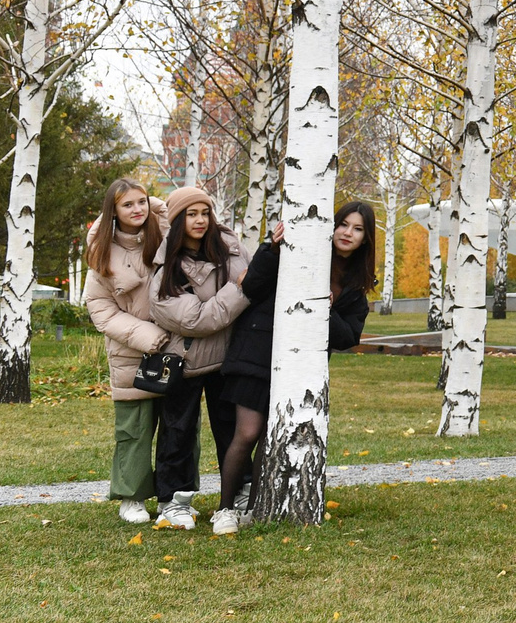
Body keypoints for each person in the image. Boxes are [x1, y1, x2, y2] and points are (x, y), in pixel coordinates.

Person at [208, 203, 377, 535]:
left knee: (272, 438)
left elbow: (347, 338)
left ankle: (254, 508)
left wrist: (325, 309)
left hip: (301, 367)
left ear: (365, 239)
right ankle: (225, 509)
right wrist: (272, 248)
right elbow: (252, 287)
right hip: (257, 351)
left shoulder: (357, 286)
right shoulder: (294, 249)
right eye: (343, 224)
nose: (347, 233)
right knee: (248, 432)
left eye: (357, 229)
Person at [144, 186, 249, 531]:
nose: (201, 220)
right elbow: (198, 320)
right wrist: (239, 289)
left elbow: (258, 281)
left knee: (233, 431)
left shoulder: (231, 250)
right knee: (178, 432)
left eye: (205, 212)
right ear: (177, 221)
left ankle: (242, 494)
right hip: (184, 363)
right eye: (191, 214)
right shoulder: (165, 273)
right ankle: (174, 501)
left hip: (230, 360)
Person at [81, 178, 170, 525]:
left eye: (142, 202)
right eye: (127, 204)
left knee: (178, 426)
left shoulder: (163, 236)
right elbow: (101, 309)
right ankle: (131, 497)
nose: (137, 209)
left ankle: (173, 495)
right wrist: (147, 335)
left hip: (175, 347)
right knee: (133, 429)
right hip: (131, 352)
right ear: (113, 212)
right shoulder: (101, 250)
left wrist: (159, 207)